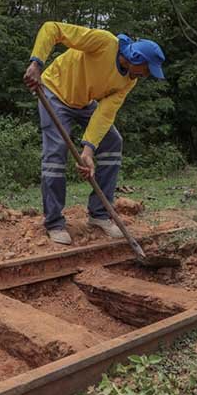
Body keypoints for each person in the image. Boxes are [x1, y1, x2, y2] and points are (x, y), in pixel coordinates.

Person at [23, 22, 166, 245]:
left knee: (112, 141)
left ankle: (99, 215)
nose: (146, 75)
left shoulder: (129, 81)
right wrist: (36, 63)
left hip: (83, 102)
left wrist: (88, 150)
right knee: (56, 151)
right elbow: (53, 29)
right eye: (147, 69)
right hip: (54, 91)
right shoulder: (105, 42)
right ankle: (54, 222)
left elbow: (104, 114)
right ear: (137, 59)